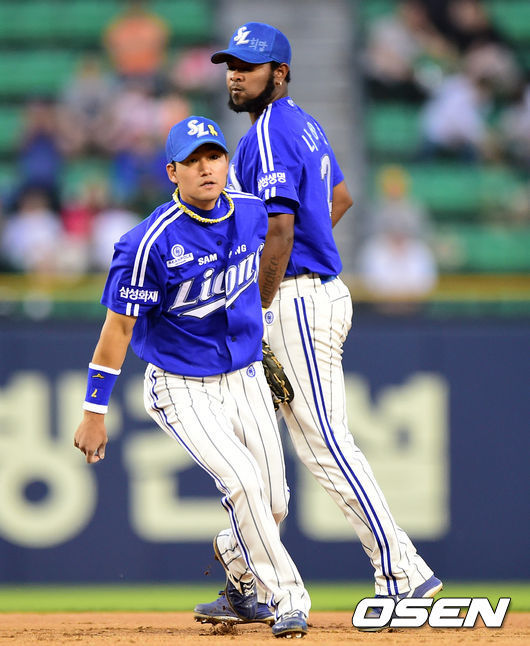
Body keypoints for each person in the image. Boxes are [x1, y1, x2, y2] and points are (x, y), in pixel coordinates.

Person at [194, 22, 443, 632]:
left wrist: (259, 307)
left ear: (279, 73)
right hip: (304, 293)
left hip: (295, 301)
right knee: (257, 445)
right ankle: (245, 577)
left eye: (249, 66)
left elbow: (280, 230)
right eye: (231, 65)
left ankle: (404, 574)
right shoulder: (300, 124)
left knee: (323, 443)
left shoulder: (269, 133)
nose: (235, 76)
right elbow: (341, 197)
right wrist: (305, 248)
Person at [73, 115, 310, 639]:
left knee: (274, 503)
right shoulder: (146, 243)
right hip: (181, 384)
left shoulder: (251, 211)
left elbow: (278, 249)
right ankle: (289, 599)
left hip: (245, 375)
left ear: (226, 162)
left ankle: (237, 569)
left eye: (214, 156)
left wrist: (260, 326)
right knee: (243, 483)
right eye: (193, 160)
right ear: (172, 171)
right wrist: (94, 410)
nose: (206, 168)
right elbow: (118, 329)